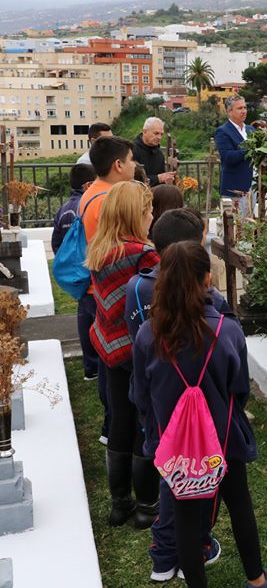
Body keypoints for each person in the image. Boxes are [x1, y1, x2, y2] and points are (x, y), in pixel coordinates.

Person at [132, 241, 267, 588]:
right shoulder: (227, 331)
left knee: (186, 521)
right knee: (239, 504)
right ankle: (257, 579)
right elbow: (240, 390)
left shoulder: (148, 335)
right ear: (207, 279)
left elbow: (141, 397)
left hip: (177, 448)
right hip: (224, 438)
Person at [126, 209, 230, 582]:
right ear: (206, 275)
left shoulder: (146, 323)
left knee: (173, 485)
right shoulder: (218, 318)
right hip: (209, 427)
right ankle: (180, 550)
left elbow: (139, 386)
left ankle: (168, 554)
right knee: (194, 494)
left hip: (161, 421)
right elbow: (238, 383)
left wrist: (149, 422)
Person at [86, 181, 161, 529]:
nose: (151, 218)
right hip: (137, 350)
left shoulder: (99, 249)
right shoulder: (143, 255)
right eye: (148, 212)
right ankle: (147, 506)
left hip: (108, 345)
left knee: (118, 419)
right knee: (143, 422)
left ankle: (120, 504)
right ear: (136, 215)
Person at [79, 136, 139, 444]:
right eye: (130, 160)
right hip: (116, 291)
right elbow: (126, 247)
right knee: (115, 370)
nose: (134, 165)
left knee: (108, 362)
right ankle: (113, 427)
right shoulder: (108, 200)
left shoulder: (92, 192)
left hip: (100, 288)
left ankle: (113, 426)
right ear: (117, 165)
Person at [52, 163, 97, 381]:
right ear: (88, 184)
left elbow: (56, 244)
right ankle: (98, 365)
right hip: (89, 273)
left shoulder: (63, 209)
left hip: (74, 276)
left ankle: (90, 367)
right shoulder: (87, 206)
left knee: (84, 319)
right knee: (96, 322)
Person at [215, 96, 255, 215]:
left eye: (245, 107)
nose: (244, 111)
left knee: (250, 225)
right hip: (235, 188)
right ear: (229, 111)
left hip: (253, 187)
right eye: (239, 108)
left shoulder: (251, 130)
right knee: (236, 228)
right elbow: (228, 157)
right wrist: (249, 150)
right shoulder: (223, 131)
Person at [133, 117, 176, 187]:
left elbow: (161, 178)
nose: (159, 137)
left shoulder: (159, 153)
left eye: (161, 134)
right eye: (156, 133)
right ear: (145, 131)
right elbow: (131, 180)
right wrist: (158, 178)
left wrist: (167, 178)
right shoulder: (131, 150)